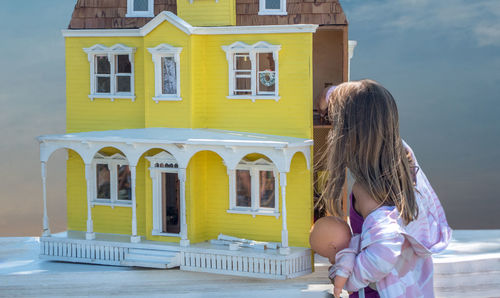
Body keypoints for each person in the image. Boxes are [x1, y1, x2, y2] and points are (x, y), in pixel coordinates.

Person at [320, 79, 452, 298]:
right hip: (412, 284)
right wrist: (329, 95)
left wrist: (350, 281)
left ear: (347, 136)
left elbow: (383, 252)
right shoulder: (403, 159)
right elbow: (365, 105)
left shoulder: (367, 193)